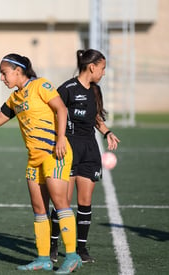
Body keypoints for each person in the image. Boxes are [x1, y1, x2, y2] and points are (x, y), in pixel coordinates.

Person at [0, 53, 82, 274]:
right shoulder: (14, 99)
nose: (2, 78)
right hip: (34, 159)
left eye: (4, 73)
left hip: (53, 153)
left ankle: (73, 255)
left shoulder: (41, 85)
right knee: (39, 209)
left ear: (18, 71)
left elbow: (62, 109)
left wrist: (59, 139)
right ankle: (43, 258)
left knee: (60, 204)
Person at [49, 49, 120, 264]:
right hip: (68, 148)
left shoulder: (96, 90)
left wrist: (107, 132)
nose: (104, 73)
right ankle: (53, 244)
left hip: (90, 150)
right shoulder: (67, 89)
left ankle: (81, 248)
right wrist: (58, 139)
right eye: (103, 68)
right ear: (92, 67)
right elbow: (53, 113)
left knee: (85, 202)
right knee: (63, 202)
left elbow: (95, 116)